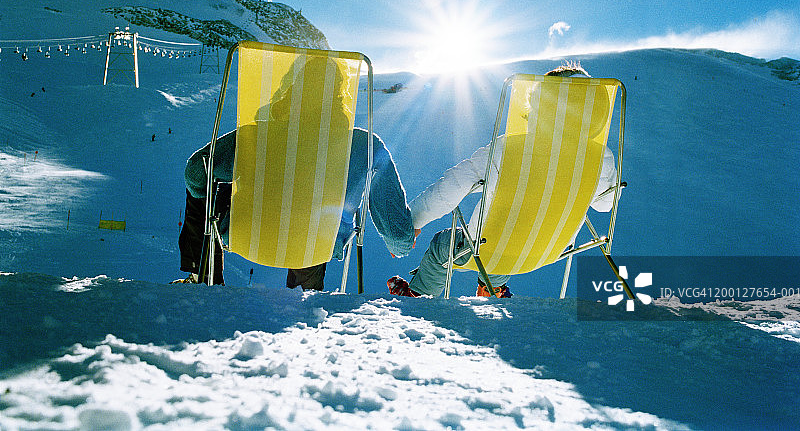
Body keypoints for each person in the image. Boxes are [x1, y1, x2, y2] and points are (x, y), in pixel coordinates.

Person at [175, 56, 416, 289]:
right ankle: (305, 295)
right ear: (339, 96)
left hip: (249, 235)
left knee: (214, 182)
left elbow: (196, 171)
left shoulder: (255, 136)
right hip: (316, 245)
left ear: (293, 90)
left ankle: (204, 277)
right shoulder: (362, 145)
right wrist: (401, 244)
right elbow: (394, 224)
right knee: (315, 229)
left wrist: (215, 195)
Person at [387, 63, 618, 298]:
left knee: (443, 246)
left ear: (540, 105)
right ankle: (492, 288)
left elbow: (450, 188)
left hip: (490, 249)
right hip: (548, 252)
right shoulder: (600, 156)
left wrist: (412, 222)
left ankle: (418, 297)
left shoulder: (508, 148)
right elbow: (604, 204)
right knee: (509, 237)